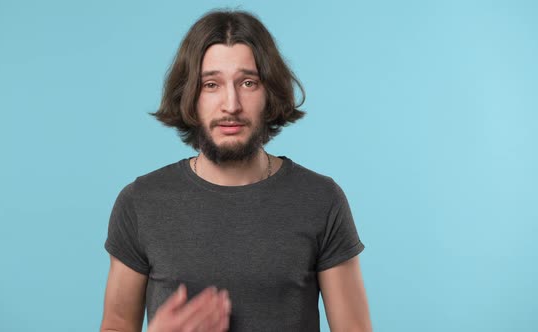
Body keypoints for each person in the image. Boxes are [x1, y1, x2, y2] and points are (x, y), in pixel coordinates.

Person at [100, 9, 372, 332]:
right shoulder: (139, 203)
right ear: (190, 95)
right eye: (211, 84)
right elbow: (116, 324)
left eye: (247, 82)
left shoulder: (322, 200)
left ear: (269, 92)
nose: (231, 104)